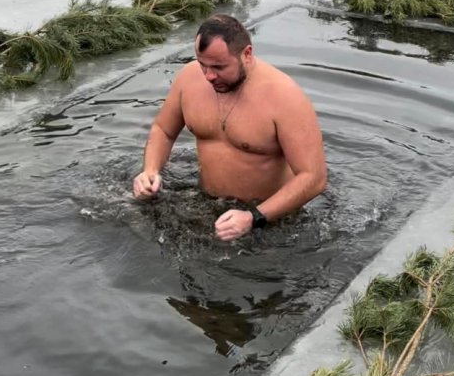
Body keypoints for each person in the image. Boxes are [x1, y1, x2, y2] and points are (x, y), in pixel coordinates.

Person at [132, 14, 327, 241]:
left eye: (219, 66)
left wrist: (254, 217)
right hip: (206, 204)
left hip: (269, 221)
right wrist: (150, 170)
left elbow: (313, 177)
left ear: (247, 54)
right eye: (202, 64)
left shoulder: (284, 97)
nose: (209, 76)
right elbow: (163, 130)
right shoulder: (189, 78)